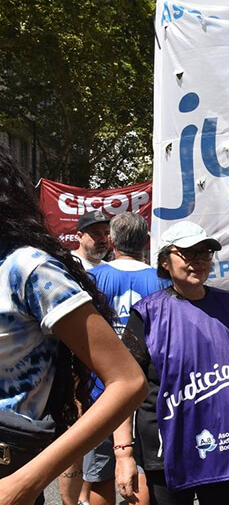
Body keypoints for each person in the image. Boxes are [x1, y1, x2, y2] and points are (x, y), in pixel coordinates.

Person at [0, 149, 147, 505]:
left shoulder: (28, 269)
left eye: (104, 232)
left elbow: (127, 381)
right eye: (93, 232)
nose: (101, 239)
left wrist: (24, 483)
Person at [120, 221, 229, 504]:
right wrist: (123, 453)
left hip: (227, 444)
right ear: (165, 262)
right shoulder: (147, 314)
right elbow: (124, 385)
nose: (198, 261)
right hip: (168, 450)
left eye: (205, 253)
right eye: (188, 253)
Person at [81, 212, 169, 505]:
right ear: (145, 241)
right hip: (148, 391)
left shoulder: (93, 278)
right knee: (142, 470)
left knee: (100, 474)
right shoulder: (161, 280)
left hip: (102, 389)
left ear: (112, 241)